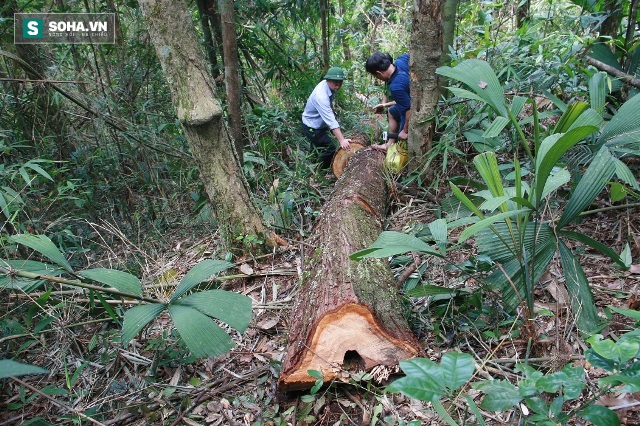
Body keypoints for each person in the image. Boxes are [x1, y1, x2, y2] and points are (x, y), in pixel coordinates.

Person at [301, 67, 352, 169]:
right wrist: (342, 140)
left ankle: (315, 163)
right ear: (328, 80)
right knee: (330, 149)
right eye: (335, 83)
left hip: (318, 124)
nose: (337, 86)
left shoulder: (328, 86)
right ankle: (320, 171)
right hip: (312, 127)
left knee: (320, 148)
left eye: (340, 83)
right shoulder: (320, 96)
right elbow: (330, 119)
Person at [365, 52, 411, 150]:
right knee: (392, 111)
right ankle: (389, 143)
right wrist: (384, 105)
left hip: (411, 112)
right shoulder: (401, 61)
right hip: (413, 102)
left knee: (402, 142)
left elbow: (409, 111)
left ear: (379, 73)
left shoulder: (396, 87)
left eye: (375, 76)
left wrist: (405, 131)